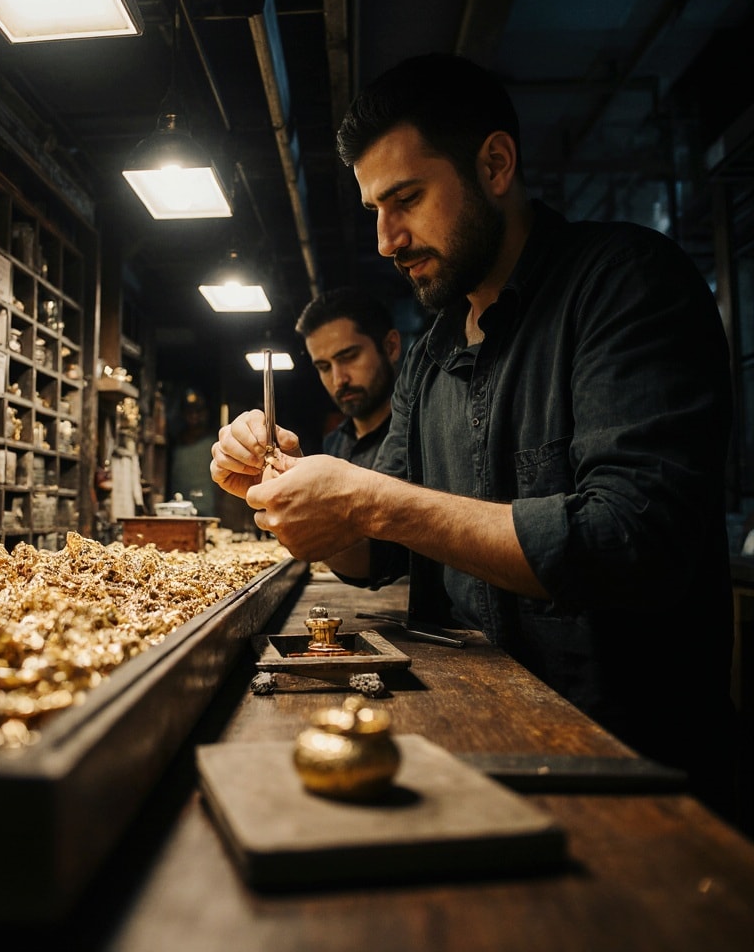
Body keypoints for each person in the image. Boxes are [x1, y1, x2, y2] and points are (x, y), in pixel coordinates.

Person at [210, 52, 737, 817]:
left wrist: (369, 501)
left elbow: (635, 541)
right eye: (375, 212)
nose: (389, 239)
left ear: (494, 164)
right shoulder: (430, 356)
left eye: (408, 199)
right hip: (471, 743)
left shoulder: (627, 285)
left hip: (634, 771)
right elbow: (374, 554)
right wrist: (289, 483)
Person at [295, 286, 402, 467]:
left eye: (349, 357)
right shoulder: (333, 444)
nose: (339, 380)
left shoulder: (421, 436)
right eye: (324, 367)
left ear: (390, 347)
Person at [167, 387, 219, 517]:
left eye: (198, 411)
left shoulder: (214, 442)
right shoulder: (177, 443)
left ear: (206, 413)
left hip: (208, 510)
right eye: (189, 411)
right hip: (178, 510)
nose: (194, 416)